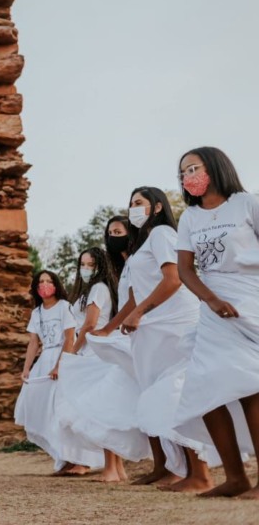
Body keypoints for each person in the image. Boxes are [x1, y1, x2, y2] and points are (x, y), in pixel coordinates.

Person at [170, 147, 259, 498]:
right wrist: (210, 299)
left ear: (215, 166)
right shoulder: (189, 218)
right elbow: (184, 269)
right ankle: (235, 477)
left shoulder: (246, 203)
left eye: (194, 167)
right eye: (183, 172)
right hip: (213, 308)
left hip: (250, 301)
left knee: (251, 385)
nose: (188, 176)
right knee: (205, 388)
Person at [117, 186, 214, 492]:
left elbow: (174, 279)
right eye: (130, 203)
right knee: (155, 397)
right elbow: (137, 292)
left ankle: (199, 473)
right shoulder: (143, 243)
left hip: (174, 325)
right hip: (152, 329)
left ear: (157, 207)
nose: (132, 208)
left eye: (138, 203)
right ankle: (173, 469)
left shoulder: (161, 234)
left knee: (174, 394)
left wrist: (140, 313)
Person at [55, 248, 119, 479]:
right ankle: (105, 465)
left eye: (91, 264)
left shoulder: (99, 289)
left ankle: (111, 467)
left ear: (100, 266)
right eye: (83, 264)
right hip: (86, 352)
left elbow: (90, 324)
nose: (86, 268)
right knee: (90, 410)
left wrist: (72, 350)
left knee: (99, 410)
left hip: (93, 353)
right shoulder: (88, 290)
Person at [13, 270, 81, 473]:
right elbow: (33, 342)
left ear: (56, 285)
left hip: (63, 358)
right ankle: (64, 458)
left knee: (64, 409)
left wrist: (60, 365)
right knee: (44, 410)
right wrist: (26, 369)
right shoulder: (37, 313)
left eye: (48, 281)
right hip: (44, 361)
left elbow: (70, 338)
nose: (44, 285)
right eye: (40, 282)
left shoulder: (64, 307)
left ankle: (79, 460)